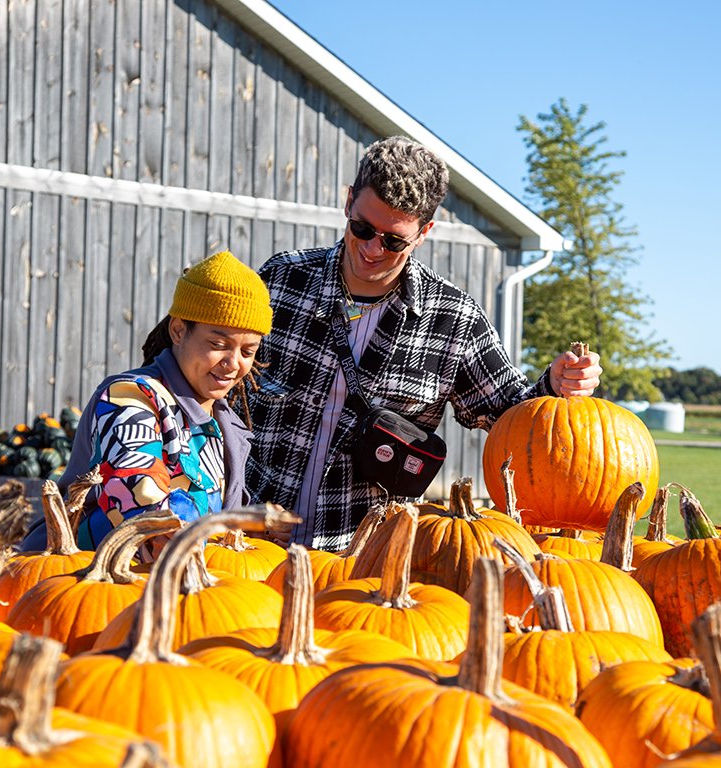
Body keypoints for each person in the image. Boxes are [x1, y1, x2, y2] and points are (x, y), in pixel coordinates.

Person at [248, 136, 602, 552]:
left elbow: (514, 417)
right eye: (361, 227)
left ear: (423, 233)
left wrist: (558, 386)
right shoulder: (281, 280)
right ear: (348, 203)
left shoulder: (454, 320)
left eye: (393, 240)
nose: (371, 247)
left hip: (365, 562)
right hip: (249, 547)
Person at [20, 251, 271, 551]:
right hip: (83, 579)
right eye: (218, 345)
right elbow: (135, 485)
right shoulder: (129, 398)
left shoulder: (226, 424)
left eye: (247, 352)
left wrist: (251, 529)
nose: (233, 363)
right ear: (179, 330)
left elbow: (216, 525)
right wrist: (160, 525)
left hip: (168, 584)